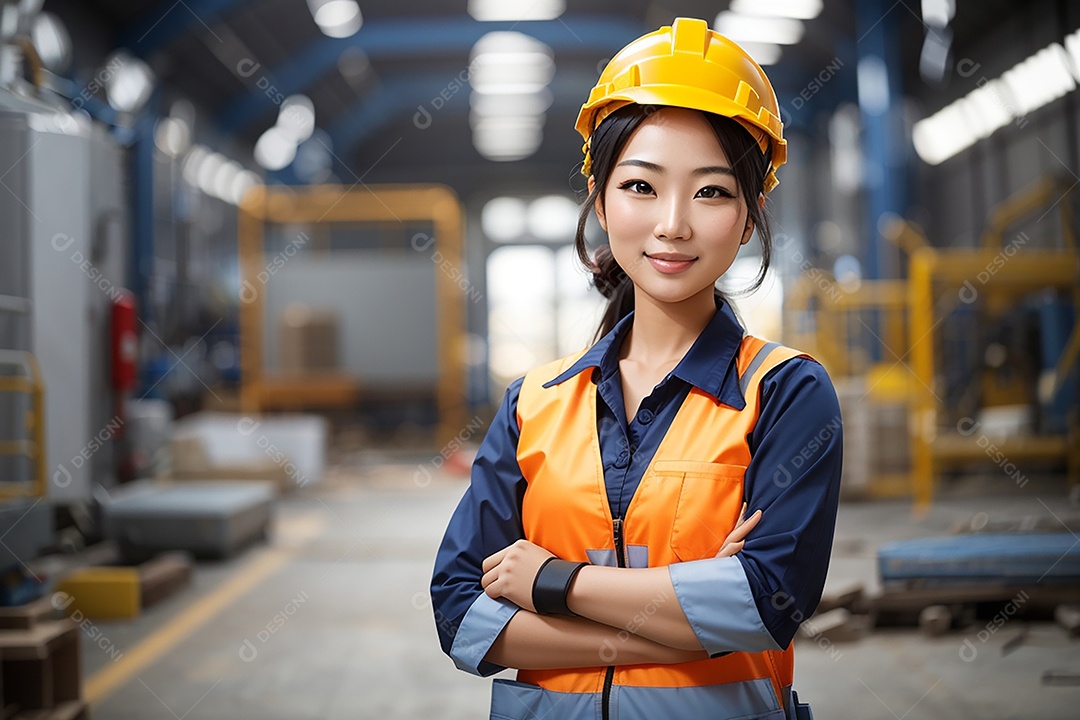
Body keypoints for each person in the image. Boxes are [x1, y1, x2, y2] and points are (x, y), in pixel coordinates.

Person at [431, 16, 842, 720]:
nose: (673, 223)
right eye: (642, 187)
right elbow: (461, 617)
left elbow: (763, 602)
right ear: (600, 198)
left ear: (750, 216)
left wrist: (552, 581)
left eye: (711, 191)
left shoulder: (784, 393)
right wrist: (681, 622)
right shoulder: (533, 403)